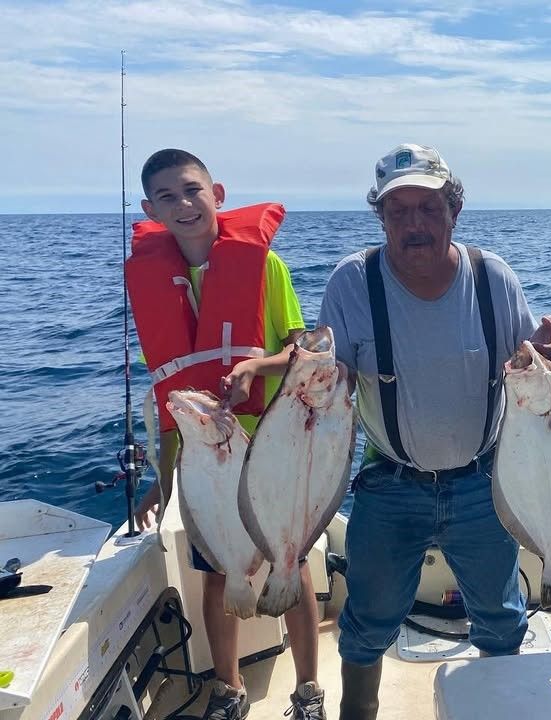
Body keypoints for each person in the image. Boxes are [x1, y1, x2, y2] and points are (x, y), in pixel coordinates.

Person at [318, 143, 551, 719]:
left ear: (455, 210)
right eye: (398, 211)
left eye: (429, 208)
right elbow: (330, 384)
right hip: (389, 484)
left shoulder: (493, 277)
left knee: (501, 622)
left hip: (485, 484)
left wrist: (545, 356)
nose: (415, 224)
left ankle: (500, 709)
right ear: (380, 217)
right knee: (366, 624)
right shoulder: (351, 281)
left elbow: (532, 368)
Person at [129, 149, 325, 720]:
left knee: (290, 565)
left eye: (192, 190)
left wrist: (256, 368)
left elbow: (302, 352)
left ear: (217, 195)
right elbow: (169, 397)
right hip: (202, 462)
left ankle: (309, 690)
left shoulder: (264, 266)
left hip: (268, 449)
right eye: (167, 197)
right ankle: (228, 689)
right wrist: (162, 480)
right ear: (150, 210)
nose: (183, 204)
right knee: (218, 576)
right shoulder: (151, 284)